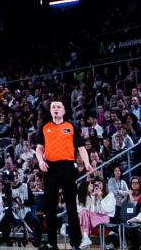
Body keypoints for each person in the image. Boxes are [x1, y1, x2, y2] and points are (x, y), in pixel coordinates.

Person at [36, 101, 93, 250]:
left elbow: (81, 148)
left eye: (58, 107)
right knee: (50, 207)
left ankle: (75, 243)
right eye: (53, 107)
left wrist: (87, 163)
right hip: (50, 168)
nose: (56, 109)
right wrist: (40, 161)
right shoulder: (45, 127)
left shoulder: (71, 126)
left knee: (71, 206)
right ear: (50, 110)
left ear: (64, 110)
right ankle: (51, 243)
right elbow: (39, 148)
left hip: (67, 167)